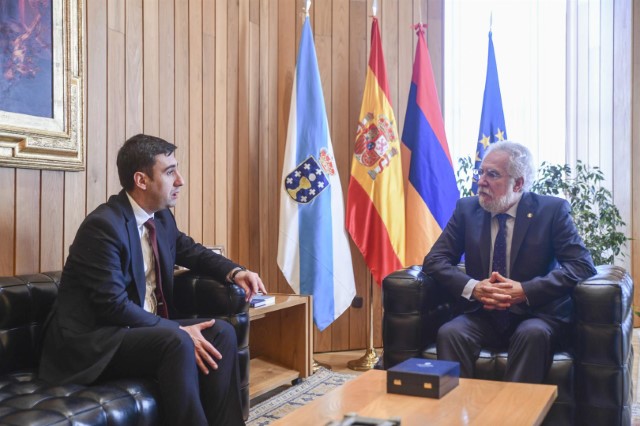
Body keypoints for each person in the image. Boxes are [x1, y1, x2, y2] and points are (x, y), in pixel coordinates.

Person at [39, 134, 266, 425]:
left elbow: (190, 250)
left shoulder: (160, 218)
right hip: (97, 341)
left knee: (221, 333)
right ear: (141, 180)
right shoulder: (103, 226)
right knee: (176, 341)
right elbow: (113, 307)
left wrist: (236, 271)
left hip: (141, 330)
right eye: (170, 172)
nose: (180, 180)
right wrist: (177, 330)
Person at [423, 140, 597, 383]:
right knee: (451, 332)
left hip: (535, 315)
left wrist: (525, 290)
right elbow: (435, 260)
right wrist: (474, 288)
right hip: (481, 315)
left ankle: (515, 416)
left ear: (519, 183)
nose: (481, 181)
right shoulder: (467, 209)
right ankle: (457, 414)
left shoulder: (551, 211)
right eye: (481, 172)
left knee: (532, 334)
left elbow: (581, 265)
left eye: (492, 174)